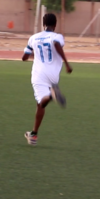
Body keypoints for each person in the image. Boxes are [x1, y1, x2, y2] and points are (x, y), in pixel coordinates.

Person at [22, 13, 72, 146]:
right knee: (40, 105)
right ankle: (33, 134)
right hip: (53, 75)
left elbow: (24, 57)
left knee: (41, 101)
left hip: (38, 75)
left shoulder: (33, 38)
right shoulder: (57, 36)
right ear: (55, 25)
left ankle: (51, 96)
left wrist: (36, 54)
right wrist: (67, 64)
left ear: (43, 24)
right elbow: (56, 44)